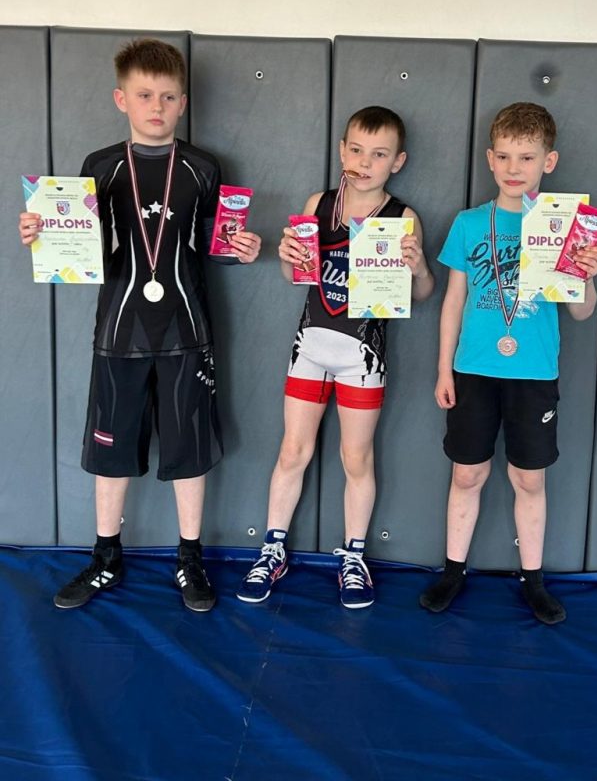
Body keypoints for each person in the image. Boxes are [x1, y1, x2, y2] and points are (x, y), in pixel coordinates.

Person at [18, 38, 261, 612]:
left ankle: (190, 558)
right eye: (145, 95)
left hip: (187, 332)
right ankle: (106, 557)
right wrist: (42, 235)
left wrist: (243, 250)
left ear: (183, 103)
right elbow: (87, 250)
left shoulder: (203, 168)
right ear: (121, 99)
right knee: (111, 451)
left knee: (189, 450)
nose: (157, 106)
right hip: (119, 332)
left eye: (168, 96)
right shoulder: (99, 167)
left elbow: (215, 242)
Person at [236, 106, 434, 609]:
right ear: (342, 149)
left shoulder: (402, 217)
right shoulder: (319, 203)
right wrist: (286, 258)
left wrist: (418, 269)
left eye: (379, 154)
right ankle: (273, 549)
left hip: (363, 356)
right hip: (311, 347)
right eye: (357, 150)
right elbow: (296, 278)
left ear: (398, 161)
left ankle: (354, 556)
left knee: (356, 457)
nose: (365, 162)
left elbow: (422, 295)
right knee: (291, 451)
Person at [419, 102, 597, 623]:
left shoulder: (565, 228)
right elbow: (453, 302)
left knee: (529, 480)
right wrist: (443, 369)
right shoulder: (469, 223)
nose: (513, 167)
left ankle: (533, 580)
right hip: (474, 370)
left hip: (533, 372)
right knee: (467, 474)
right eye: (503, 156)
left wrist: (587, 276)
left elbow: (581, 312)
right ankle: (453, 571)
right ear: (489, 159)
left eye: (526, 157)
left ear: (549, 161)